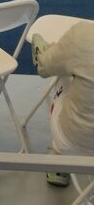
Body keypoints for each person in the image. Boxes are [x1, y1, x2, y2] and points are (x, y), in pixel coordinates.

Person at [33, 20, 94, 188]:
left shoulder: (83, 35)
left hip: (72, 142)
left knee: (63, 73)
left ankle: (59, 163)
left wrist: (54, 51)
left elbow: (44, 69)